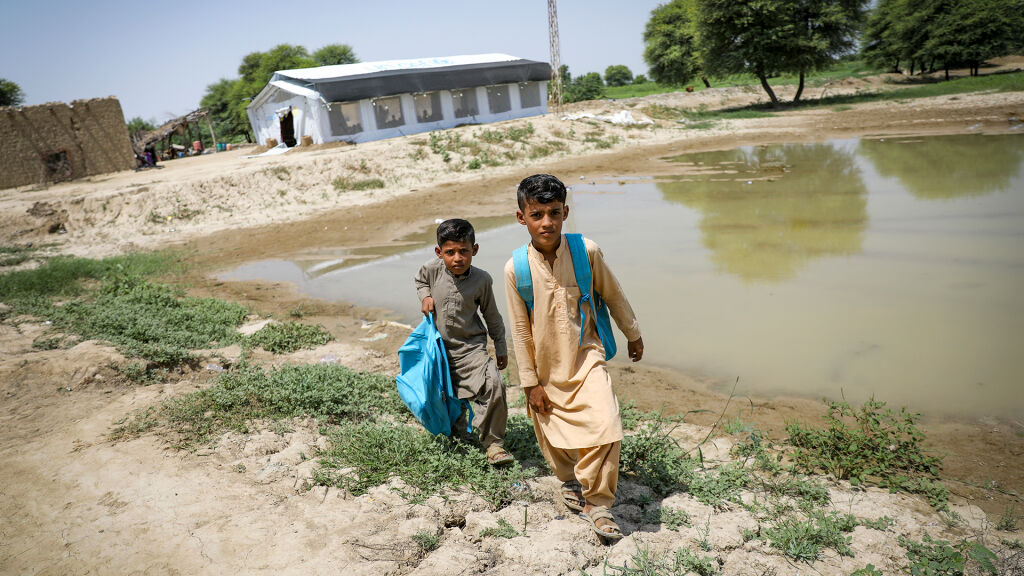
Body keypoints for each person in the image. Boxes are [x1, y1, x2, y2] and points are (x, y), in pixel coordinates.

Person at [503, 174, 644, 541]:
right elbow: (520, 330)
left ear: (565, 212)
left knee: (607, 423)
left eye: (553, 213)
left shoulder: (587, 252)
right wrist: (530, 382)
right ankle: (569, 479)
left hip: (587, 356)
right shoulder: (515, 269)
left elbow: (613, 294)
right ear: (522, 218)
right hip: (546, 367)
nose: (546, 222)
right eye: (537, 214)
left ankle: (598, 503)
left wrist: (633, 332)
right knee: (553, 430)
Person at [415, 218, 514, 466]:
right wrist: (425, 296)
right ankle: (458, 435)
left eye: (464, 251)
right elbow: (420, 280)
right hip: (439, 349)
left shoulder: (482, 280)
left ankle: (493, 444)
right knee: (445, 397)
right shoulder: (432, 269)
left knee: (493, 384)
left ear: (475, 250)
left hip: (471, 348)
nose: (457, 258)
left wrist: (500, 346)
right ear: (439, 253)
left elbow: (492, 315)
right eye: (450, 252)